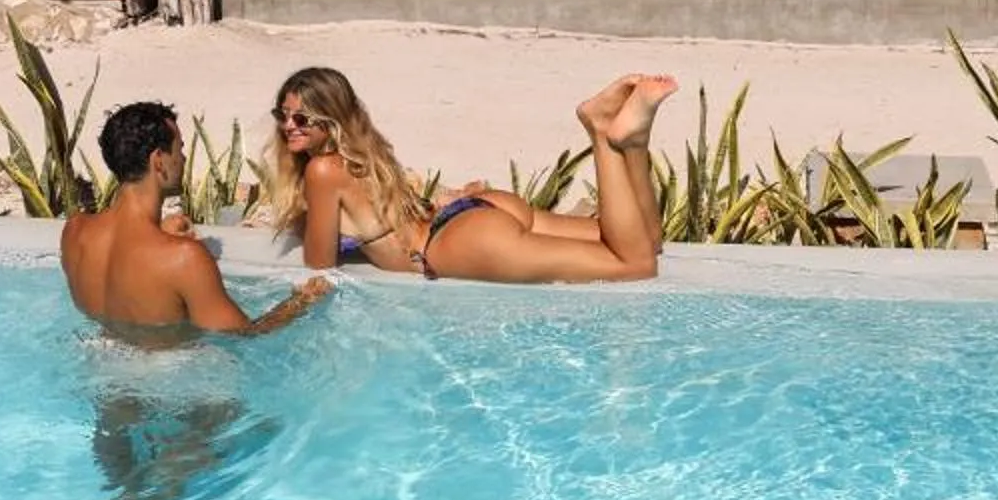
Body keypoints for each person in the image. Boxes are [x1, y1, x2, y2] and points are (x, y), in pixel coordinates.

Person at [268, 65, 674, 283]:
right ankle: (634, 144)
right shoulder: (364, 154)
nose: (289, 126)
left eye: (302, 118)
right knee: (646, 241)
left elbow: (319, 263)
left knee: (634, 266)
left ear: (330, 121)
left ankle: (603, 135)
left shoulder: (322, 170)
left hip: (455, 245)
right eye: (283, 115)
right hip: (472, 212)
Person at [63, 100, 331, 342]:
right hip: (173, 386)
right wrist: (301, 301)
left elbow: (123, 279)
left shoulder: (74, 232)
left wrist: (160, 232)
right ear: (159, 161)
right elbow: (245, 335)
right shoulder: (183, 257)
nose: (183, 158)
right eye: (179, 149)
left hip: (103, 379)